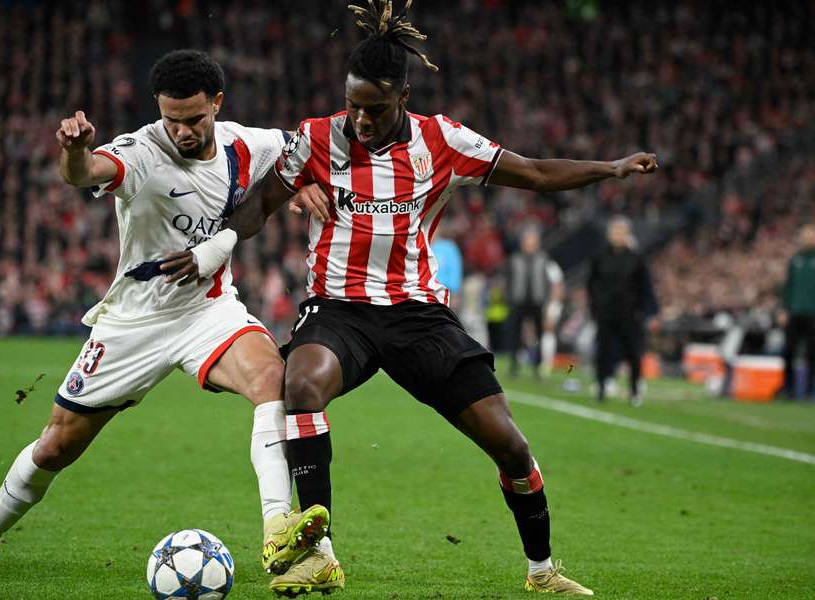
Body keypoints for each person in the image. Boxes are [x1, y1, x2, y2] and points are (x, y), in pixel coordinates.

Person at [177, 2, 656, 595]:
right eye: (352, 104)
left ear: (402, 97)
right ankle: (318, 551)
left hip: (418, 315)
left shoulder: (442, 140)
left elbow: (531, 173)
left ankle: (542, 571)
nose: (360, 119)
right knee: (299, 383)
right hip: (339, 309)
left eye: (374, 109)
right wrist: (287, 191)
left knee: (510, 444)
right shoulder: (316, 139)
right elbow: (251, 217)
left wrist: (610, 168)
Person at [0, 50, 330, 587]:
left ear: (218, 105)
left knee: (272, 380)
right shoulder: (140, 150)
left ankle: (277, 525)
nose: (181, 130)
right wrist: (74, 151)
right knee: (56, 444)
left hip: (207, 310)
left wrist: (302, 186)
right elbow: (85, 172)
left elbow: (304, 151)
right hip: (132, 324)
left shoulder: (249, 144)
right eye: (171, 119)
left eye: (194, 119)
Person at [587, 217, 659, 406]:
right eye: (614, 231)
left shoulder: (637, 258)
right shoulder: (599, 256)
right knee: (603, 351)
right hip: (605, 312)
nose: (617, 235)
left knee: (633, 352)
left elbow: (645, 286)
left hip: (630, 313)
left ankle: (635, 390)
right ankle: (601, 386)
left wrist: (645, 311)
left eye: (621, 231)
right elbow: (591, 285)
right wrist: (595, 307)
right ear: (609, 234)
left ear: (628, 234)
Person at [506, 226, 565, 377]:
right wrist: (509, 300)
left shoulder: (544, 259)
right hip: (518, 301)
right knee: (515, 335)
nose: (530, 245)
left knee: (538, 335)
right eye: (528, 241)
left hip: (537, 302)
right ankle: (514, 365)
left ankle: (537, 366)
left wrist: (547, 302)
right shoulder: (514, 259)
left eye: (533, 242)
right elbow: (508, 281)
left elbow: (550, 282)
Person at [777, 224, 815, 399]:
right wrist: (783, 309)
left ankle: (809, 391)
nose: (807, 238)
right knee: (788, 351)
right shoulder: (795, 260)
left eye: (810, 235)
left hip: (812, 313)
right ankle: (788, 389)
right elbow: (787, 287)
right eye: (805, 235)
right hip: (794, 312)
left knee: (812, 353)